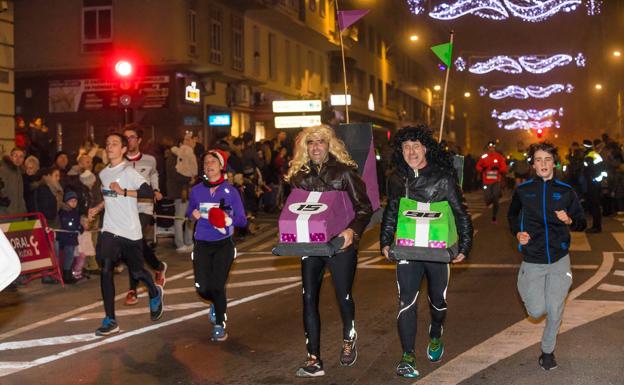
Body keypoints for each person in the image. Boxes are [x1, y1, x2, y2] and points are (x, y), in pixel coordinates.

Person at [379, 125, 472, 378]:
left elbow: (460, 212)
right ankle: (407, 356)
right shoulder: (397, 178)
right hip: (408, 250)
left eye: (416, 146)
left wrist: (464, 246)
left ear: (426, 148)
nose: (411, 151)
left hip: (437, 251)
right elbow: (391, 211)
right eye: (406, 147)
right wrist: (386, 241)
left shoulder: (443, 177)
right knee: (406, 302)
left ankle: (435, 333)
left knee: (438, 302)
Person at [284, 124, 373, 377]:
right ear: (305, 147)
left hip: (339, 245)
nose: (315, 147)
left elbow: (364, 208)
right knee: (308, 298)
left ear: (329, 145)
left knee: (343, 296)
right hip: (311, 245)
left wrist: (351, 233)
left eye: (320, 142)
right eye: (310, 143)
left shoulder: (344, 174)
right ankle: (313, 358)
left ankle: (349, 337)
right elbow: (293, 209)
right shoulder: (299, 175)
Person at [507, 142, 586, 371]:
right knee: (536, 311)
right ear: (533, 164)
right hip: (532, 259)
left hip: (560, 259)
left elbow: (582, 222)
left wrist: (569, 220)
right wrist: (518, 233)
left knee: (554, 309)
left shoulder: (565, 191)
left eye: (547, 159)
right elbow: (512, 216)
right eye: (539, 160)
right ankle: (522, 281)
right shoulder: (523, 191)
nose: (543, 164)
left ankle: (548, 352)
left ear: (554, 162)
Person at [87, 133, 164, 336]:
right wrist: (98, 208)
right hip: (110, 229)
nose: (110, 146)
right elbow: (109, 196)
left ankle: (154, 292)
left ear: (123, 150)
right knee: (106, 268)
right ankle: (110, 319)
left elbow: (147, 193)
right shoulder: (103, 174)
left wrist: (124, 192)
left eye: (114, 143)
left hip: (130, 230)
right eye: (108, 143)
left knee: (137, 273)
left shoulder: (129, 172)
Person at [186, 149, 246, 341]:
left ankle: (219, 323)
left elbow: (243, 220)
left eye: (213, 161)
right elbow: (189, 212)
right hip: (202, 243)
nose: (209, 165)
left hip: (223, 244)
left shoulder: (231, 192)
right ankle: (214, 302)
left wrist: (229, 219)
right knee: (202, 288)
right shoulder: (196, 191)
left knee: (218, 285)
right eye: (205, 162)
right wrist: (192, 214)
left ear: (221, 166)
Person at [122, 124, 168, 306]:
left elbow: (154, 174)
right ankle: (158, 266)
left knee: (133, 241)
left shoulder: (150, 160)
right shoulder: (118, 161)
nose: (129, 141)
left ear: (139, 140)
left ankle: (132, 289)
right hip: (125, 208)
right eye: (126, 138)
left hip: (144, 207)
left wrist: (155, 190)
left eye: (132, 137)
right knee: (136, 243)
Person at [476, 140, 508, 223]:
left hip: (496, 181)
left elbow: (504, 168)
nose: (491, 149)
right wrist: (482, 169)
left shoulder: (499, 157)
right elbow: (478, 166)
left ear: (495, 148)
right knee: (487, 198)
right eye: (489, 147)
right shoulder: (484, 157)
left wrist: (498, 169)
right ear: (487, 148)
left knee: (495, 197)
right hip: (486, 181)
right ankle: (490, 203)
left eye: (493, 147)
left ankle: (494, 216)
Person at [56, 191, 83, 284]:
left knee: (71, 256)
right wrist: (75, 227)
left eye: (75, 201)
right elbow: (66, 224)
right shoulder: (64, 211)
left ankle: (68, 274)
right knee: (68, 256)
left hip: (72, 237)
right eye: (71, 201)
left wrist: (80, 227)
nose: (74, 203)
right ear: (66, 201)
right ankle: (66, 275)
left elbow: (77, 223)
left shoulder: (75, 211)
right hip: (66, 238)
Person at [582, 139, 605, 233]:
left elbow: (590, 170)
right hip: (596, 182)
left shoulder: (589, 156)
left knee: (594, 205)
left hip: (593, 183)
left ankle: (596, 227)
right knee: (595, 205)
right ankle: (596, 226)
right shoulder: (594, 154)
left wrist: (592, 179)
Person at [0, 147, 27, 215]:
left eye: (21, 157)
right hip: (5, 212)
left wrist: (23, 209)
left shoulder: (19, 171)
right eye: (15, 156)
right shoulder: (3, 170)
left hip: (18, 212)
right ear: (11, 157)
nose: (18, 159)